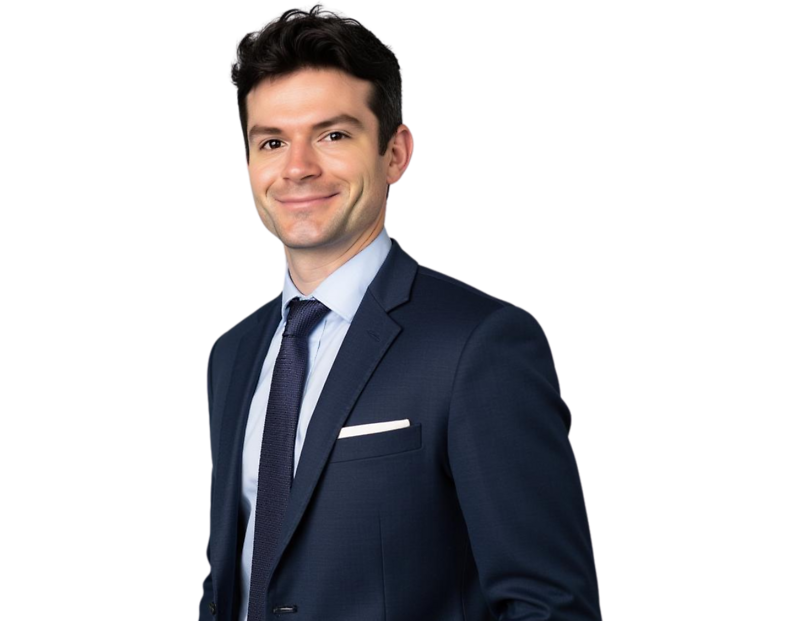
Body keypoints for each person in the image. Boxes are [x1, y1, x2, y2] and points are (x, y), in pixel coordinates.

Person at [200, 3, 602, 620]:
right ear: (249, 166)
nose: (299, 166)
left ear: (396, 153)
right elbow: (232, 578)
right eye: (273, 141)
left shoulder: (481, 343)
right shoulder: (232, 355)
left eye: (334, 135)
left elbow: (548, 604)